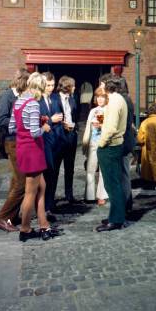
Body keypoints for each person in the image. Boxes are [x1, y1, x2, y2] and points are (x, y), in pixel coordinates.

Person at [8, 72, 59, 242]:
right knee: (30, 192)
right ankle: (25, 228)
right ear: (41, 87)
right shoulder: (33, 104)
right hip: (33, 150)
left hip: (23, 148)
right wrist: (44, 126)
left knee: (41, 187)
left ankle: (44, 225)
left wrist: (37, 121)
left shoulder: (19, 101)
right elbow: (35, 132)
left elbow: (12, 128)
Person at [0, 69, 29, 232]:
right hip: (12, 143)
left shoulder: (20, 96)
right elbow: (0, 120)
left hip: (20, 142)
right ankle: (2, 218)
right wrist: (21, 121)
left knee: (16, 181)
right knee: (22, 183)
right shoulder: (8, 96)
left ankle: (11, 217)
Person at [96, 76, 128, 231]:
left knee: (112, 184)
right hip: (115, 145)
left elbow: (111, 128)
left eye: (101, 84)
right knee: (114, 183)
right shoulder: (117, 99)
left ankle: (116, 220)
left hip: (110, 146)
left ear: (107, 85)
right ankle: (116, 216)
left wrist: (101, 144)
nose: (100, 86)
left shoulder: (114, 101)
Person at [47, 75, 79, 207]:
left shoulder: (73, 99)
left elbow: (75, 116)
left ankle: (69, 195)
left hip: (71, 136)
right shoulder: (53, 98)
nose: (75, 88)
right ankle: (51, 198)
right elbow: (51, 117)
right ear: (67, 86)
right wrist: (61, 125)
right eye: (73, 85)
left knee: (70, 168)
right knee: (55, 169)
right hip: (58, 138)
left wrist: (74, 127)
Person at [38, 73, 63, 214]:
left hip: (56, 141)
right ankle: (43, 207)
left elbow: (59, 116)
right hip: (43, 142)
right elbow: (38, 122)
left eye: (53, 85)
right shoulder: (37, 100)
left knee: (53, 175)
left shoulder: (55, 97)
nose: (51, 88)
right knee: (45, 176)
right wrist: (50, 121)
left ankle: (50, 204)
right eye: (48, 85)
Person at [82, 87, 109, 205]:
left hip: (103, 143)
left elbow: (111, 127)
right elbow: (88, 128)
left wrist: (102, 125)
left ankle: (102, 195)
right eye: (98, 97)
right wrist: (85, 144)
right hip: (93, 143)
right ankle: (89, 195)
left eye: (102, 97)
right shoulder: (93, 111)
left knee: (103, 170)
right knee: (90, 169)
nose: (100, 99)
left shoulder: (109, 110)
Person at [116, 76, 136, 213]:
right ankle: (127, 202)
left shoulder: (121, 100)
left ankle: (125, 203)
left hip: (122, 140)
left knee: (122, 174)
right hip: (127, 139)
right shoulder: (127, 99)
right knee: (124, 173)